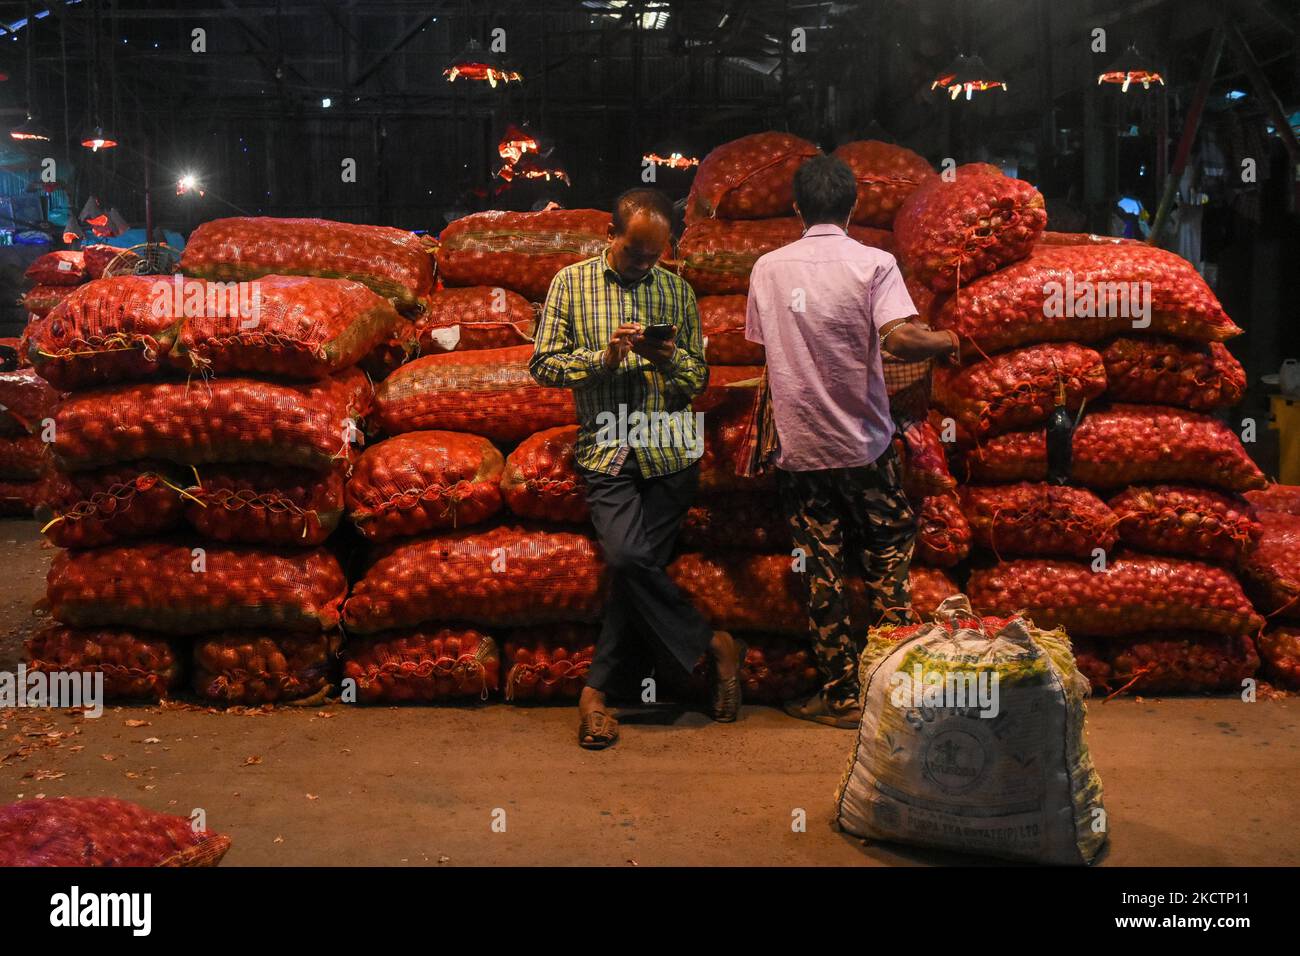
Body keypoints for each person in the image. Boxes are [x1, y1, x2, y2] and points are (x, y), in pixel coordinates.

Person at [744, 155, 960, 728]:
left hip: (800, 449)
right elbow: (901, 342)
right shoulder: (876, 263)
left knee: (821, 569)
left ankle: (840, 696)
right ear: (853, 206)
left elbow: (764, 345)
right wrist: (946, 338)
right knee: (888, 562)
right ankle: (896, 691)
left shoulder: (767, 268)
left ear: (796, 207)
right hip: (865, 444)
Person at [530, 186, 743, 750]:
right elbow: (544, 367)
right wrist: (603, 358)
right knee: (628, 557)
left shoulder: (677, 293)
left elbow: (697, 381)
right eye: (635, 253)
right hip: (607, 448)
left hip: (670, 449)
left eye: (656, 255)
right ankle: (714, 644)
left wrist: (666, 356)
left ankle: (596, 696)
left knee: (633, 573)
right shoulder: (569, 285)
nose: (646, 264)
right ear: (610, 236)